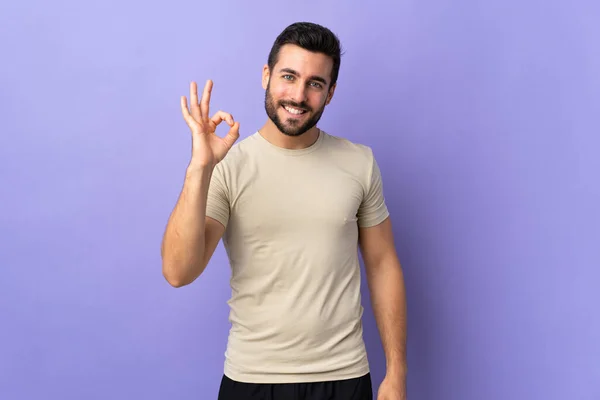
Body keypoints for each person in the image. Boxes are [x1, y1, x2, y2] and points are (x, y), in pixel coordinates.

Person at [161, 22, 407, 400]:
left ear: (330, 93)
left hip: (344, 376)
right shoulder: (228, 165)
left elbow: (382, 263)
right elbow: (178, 271)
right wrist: (200, 169)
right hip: (253, 377)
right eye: (288, 76)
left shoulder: (359, 162)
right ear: (266, 75)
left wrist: (396, 372)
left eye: (315, 83)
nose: (298, 94)